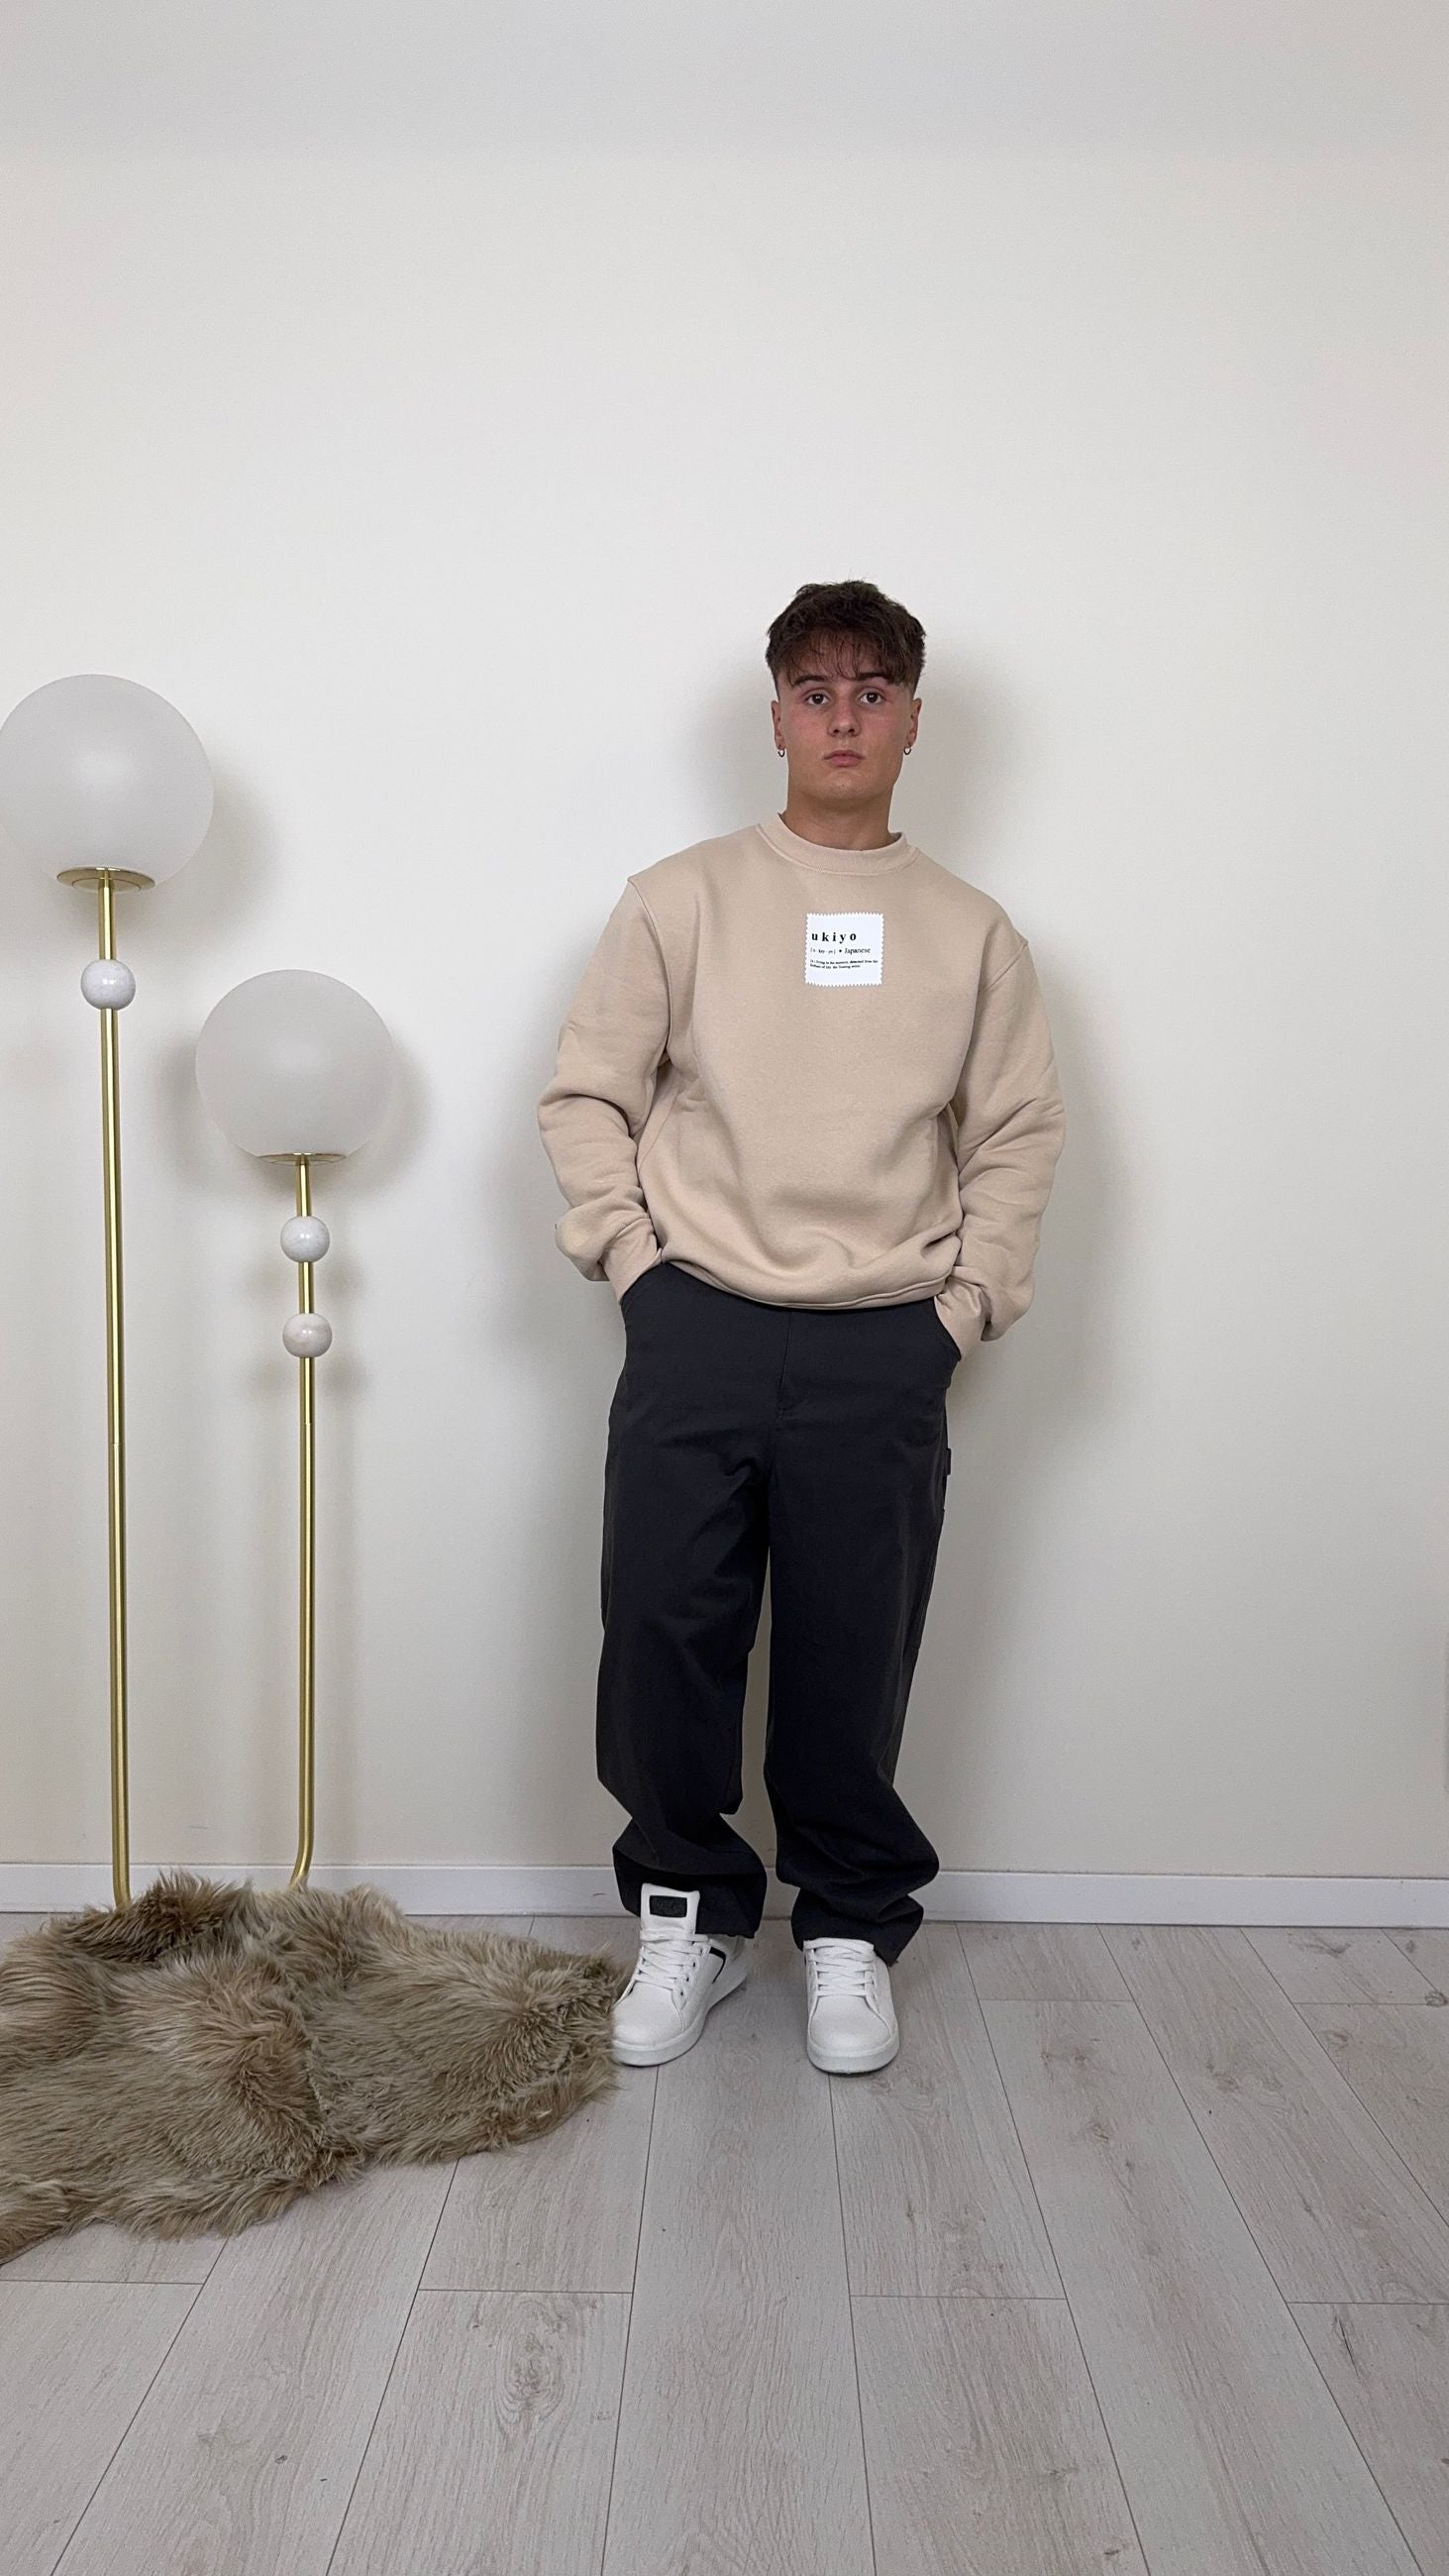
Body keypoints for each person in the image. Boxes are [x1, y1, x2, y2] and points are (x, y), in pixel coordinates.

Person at [536, 579, 1066, 2077]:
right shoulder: (681, 898)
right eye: (816, 691)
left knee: (851, 1648)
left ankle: (846, 1928)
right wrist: (635, 1265)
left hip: (885, 1333)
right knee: (663, 1628)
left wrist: (961, 1309)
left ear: (913, 719)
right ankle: (689, 1916)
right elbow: (587, 1096)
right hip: (695, 1317)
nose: (844, 718)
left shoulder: (971, 932)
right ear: (775, 716)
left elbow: (1018, 1134)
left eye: (872, 691)